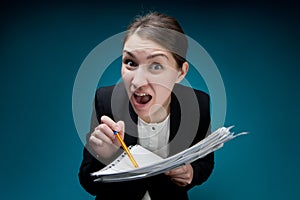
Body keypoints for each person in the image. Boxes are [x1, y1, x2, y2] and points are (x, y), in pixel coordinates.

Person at [79, 12, 214, 200]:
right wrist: (105, 157)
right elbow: (88, 181)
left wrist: (192, 172)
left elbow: (205, 162)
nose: (137, 81)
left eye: (156, 66)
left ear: (180, 72)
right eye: (130, 63)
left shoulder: (198, 104)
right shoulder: (106, 100)